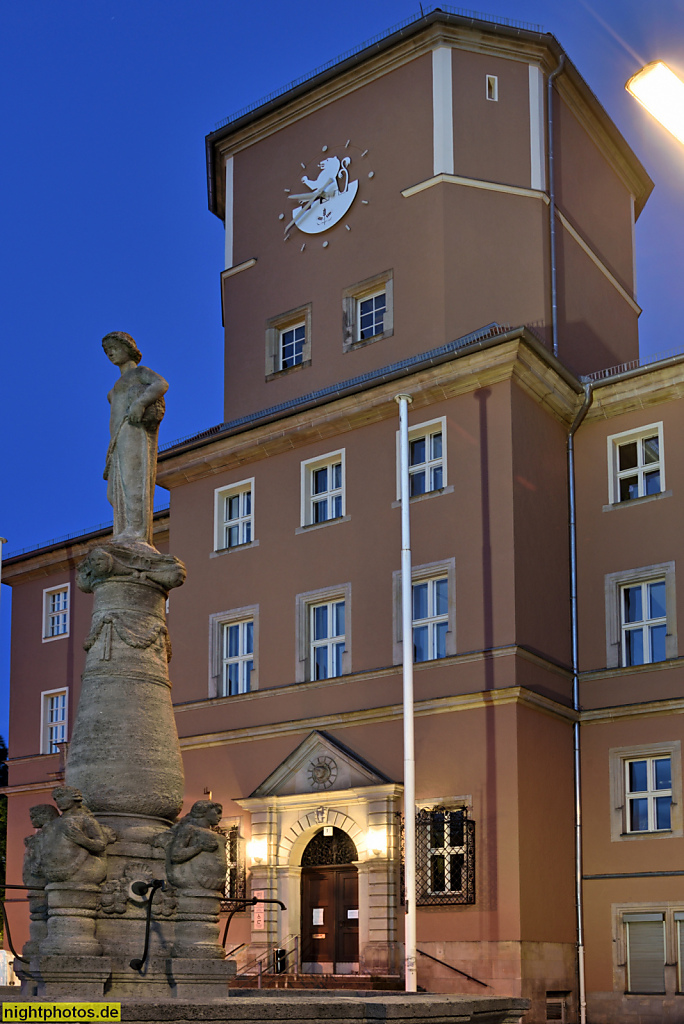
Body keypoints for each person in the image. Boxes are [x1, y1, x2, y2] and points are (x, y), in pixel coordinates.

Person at [102, 332, 168, 548]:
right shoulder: (113, 389)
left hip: (133, 431)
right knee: (114, 492)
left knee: (133, 481)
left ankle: (136, 531)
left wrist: (140, 403)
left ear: (127, 348)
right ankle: (124, 529)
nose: (110, 352)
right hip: (117, 439)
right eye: (106, 350)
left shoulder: (140, 372)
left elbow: (161, 384)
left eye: (114, 347)